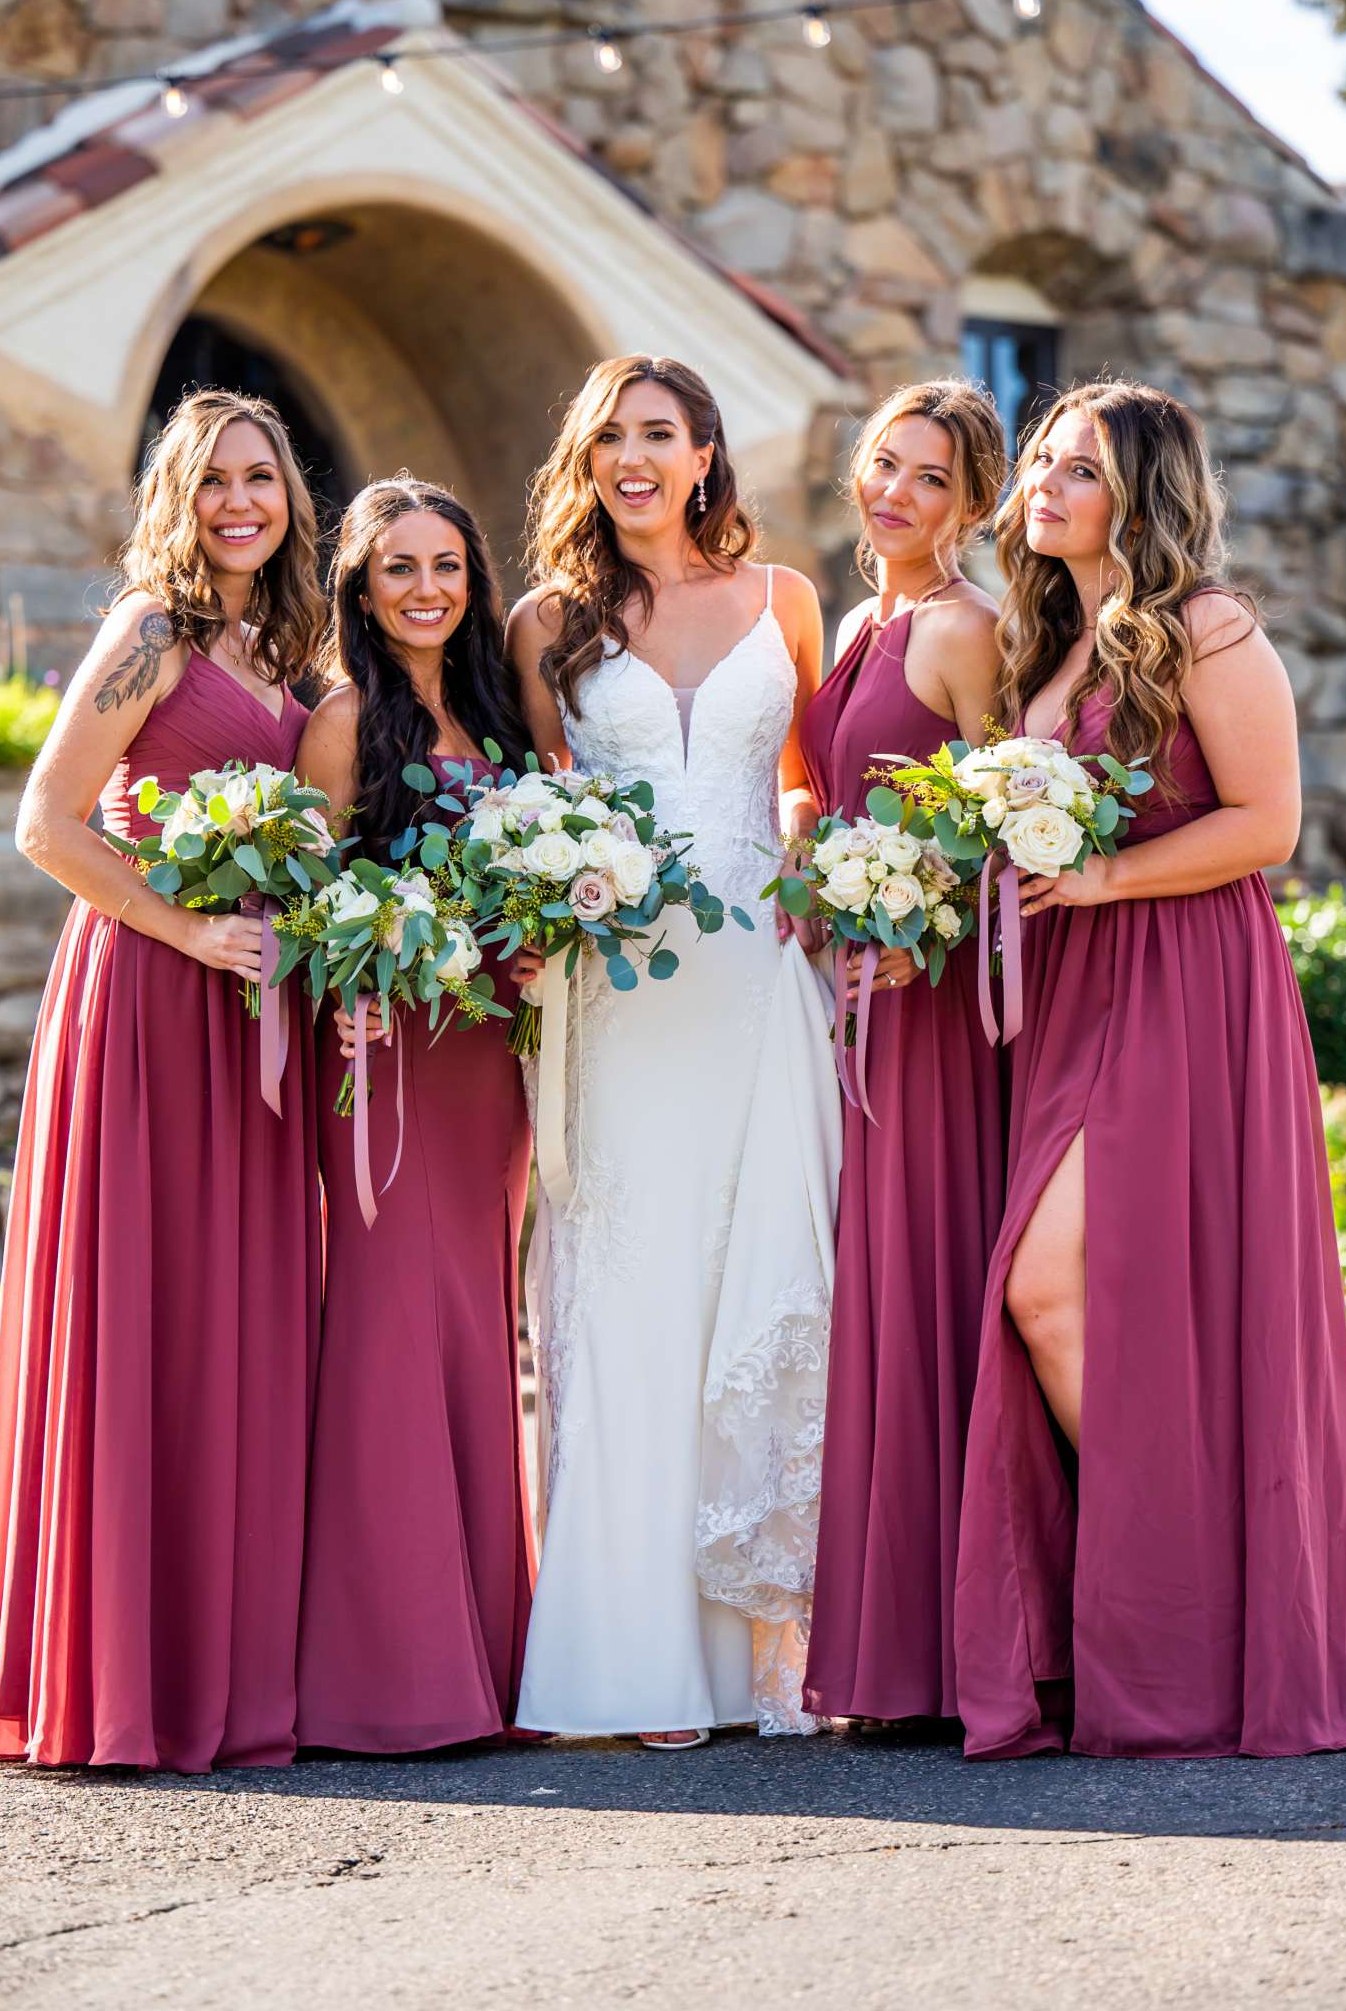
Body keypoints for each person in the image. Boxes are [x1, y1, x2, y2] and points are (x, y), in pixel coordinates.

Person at [953, 380, 1346, 1759]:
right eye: (1041, 463)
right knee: (1084, 1296)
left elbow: (1269, 823)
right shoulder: (1051, 647)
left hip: (1187, 978)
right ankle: (1162, 1603)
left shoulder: (1207, 625)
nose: (1045, 487)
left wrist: (1105, 874)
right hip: (1078, 984)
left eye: (1079, 468)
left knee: (1051, 1283)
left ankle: (1189, 1605)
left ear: (1141, 491)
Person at [0, 390, 325, 1771]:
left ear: (291, 496)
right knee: (145, 1311)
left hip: (248, 1015)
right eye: (215, 479)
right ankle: (116, 1679)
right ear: (175, 495)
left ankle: (215, 1672)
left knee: (225, 1317)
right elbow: (45, 821)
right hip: (147, 1000)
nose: (242, 501)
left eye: (263, 478)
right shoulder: (152, 633)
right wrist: (184, 929)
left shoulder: (281, 651)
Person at [508, 354, 822, 1745]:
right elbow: (536, 807)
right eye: (608, 438)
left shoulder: (787, 601)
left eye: (659, 435)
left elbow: (810, 778)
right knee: (628, 1298)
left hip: (762, 986)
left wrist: (810, 875)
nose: (632, 458)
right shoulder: (547, 622)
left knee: (749, 1288)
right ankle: (629, 1658)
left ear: (706, 455)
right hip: (623, 998)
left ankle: (763, 1653)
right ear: (585, 461)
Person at [294, 478, 536, 1754]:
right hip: (390, 1058)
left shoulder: (495, 714)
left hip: (489, 1054)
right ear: (362, 587)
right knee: (390, 1325)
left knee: (473, 1332)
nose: (427, 588)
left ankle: (483, 1658)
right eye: (399, 569)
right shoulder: (344, 720)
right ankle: (385, 1676)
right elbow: (309, 899)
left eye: (446, 564)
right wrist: (346, 986)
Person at [794, 380, 1008, 1729]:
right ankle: (881, 1646)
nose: (898, 494)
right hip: (846, 1002)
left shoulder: (963, 630)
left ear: (973, 504)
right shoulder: (864, 619)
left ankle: (943, 1652)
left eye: (931, 479)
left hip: (926, 1021)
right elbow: (829, 788)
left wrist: (921, 933)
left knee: (918, 1295)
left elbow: (1005, 821)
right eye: (887, 464)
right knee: (864, 1300)